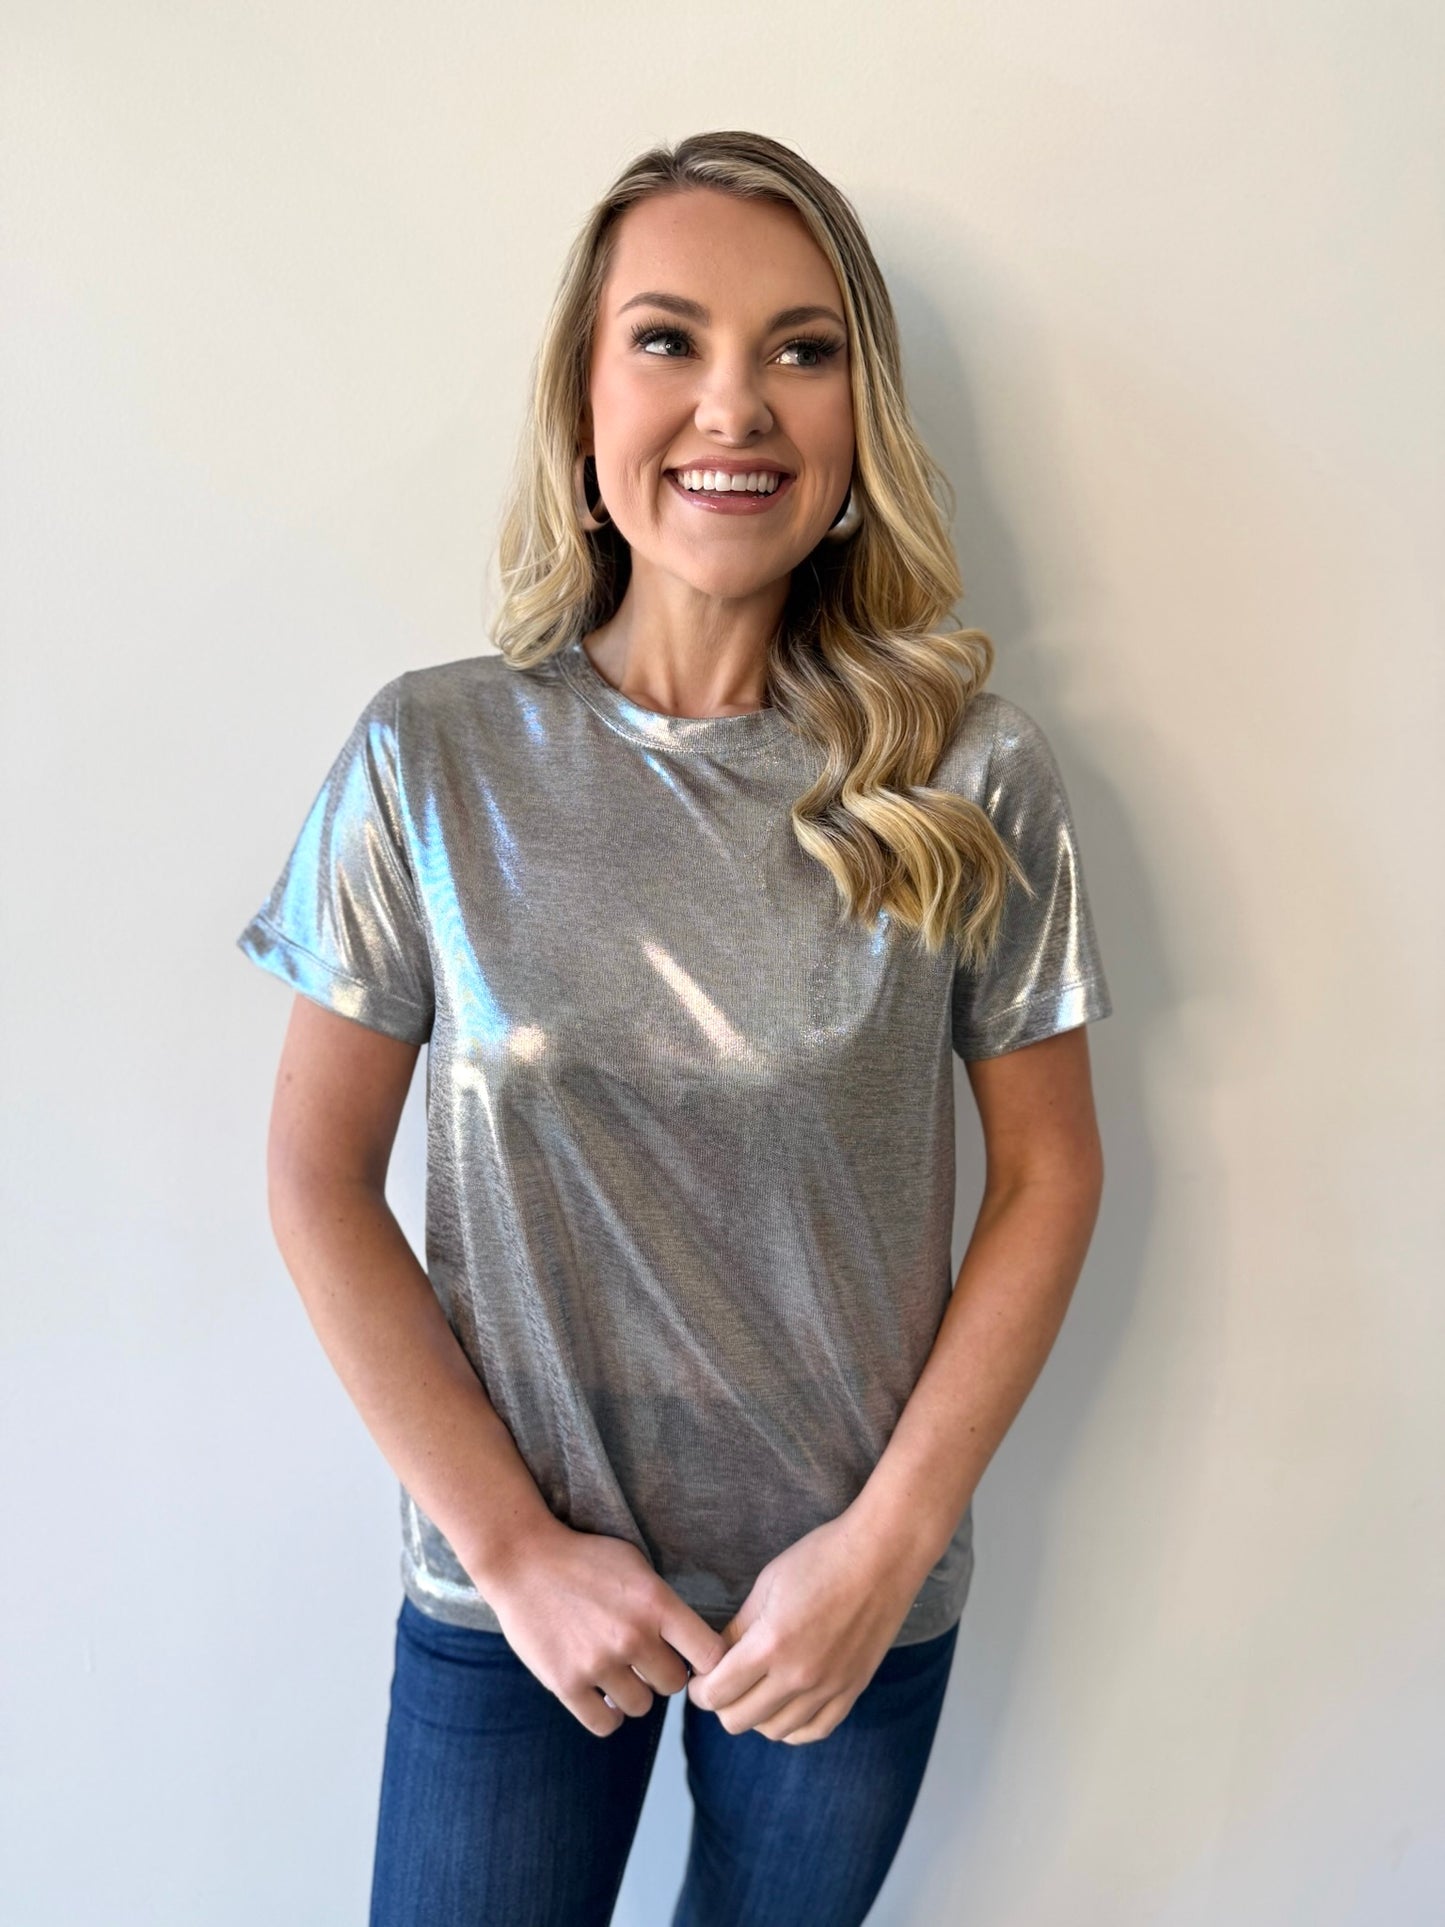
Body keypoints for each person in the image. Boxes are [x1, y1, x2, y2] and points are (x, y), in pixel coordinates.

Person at [237, 130, 1113, 1927]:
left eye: (802, 349)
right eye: (669, 339)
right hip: (522, 1594)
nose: (739, 403)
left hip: (841, 1602)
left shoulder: (966, 777)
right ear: (581, 405)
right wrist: (513, 1553)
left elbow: (1047, 1176)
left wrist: (883, 1551)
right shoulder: (434, 759)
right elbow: (317, 1180)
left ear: (860, 417)